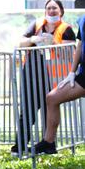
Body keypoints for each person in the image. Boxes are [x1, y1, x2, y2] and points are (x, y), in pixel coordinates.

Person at [12, 0, 76, 154]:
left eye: (55, 8)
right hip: (32, 74)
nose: (51, 11)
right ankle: (19, 146)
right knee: (28, 109)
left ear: (61, 11)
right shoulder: (36, 25)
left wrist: (53, 43)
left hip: (53, 77)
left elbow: (70, 53)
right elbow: (21, 43)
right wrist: (33, 39)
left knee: (50, 109)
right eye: (49, 8)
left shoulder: (66, 29)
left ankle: (49, 144)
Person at [31, 14, 85, 155]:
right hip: (83, 75)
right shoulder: (83, 19)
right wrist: (72, 73)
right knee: (52, 98)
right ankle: (49, 143)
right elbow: (80, 45)